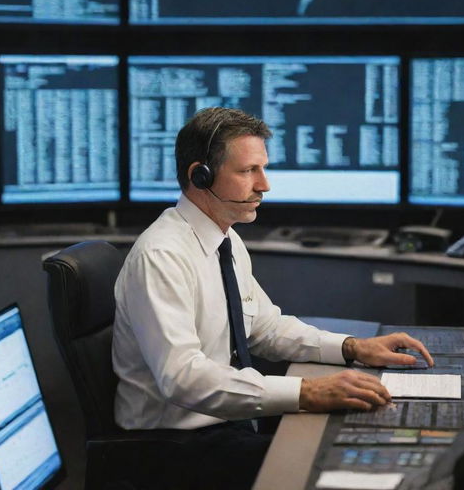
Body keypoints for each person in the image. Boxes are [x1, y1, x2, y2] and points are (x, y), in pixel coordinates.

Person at [112, 106, 433, 490]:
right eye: (248, 171)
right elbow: (182, 379)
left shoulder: (225, 238)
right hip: (174, 446)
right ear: (201, 175)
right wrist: (308, 391)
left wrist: (352, 348)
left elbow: (265, 328)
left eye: (263, 169)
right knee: (339, 469)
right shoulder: (162, 256)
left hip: (226, 424)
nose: (264, 185)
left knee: (353, 435)